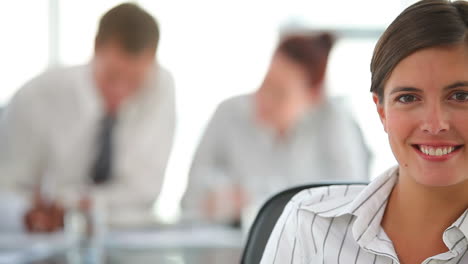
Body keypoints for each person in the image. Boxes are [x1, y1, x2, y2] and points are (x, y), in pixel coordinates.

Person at [260, 0, 468, 263]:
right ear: (381, 111)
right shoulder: (309, 223)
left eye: (460, 96)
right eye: (408, 98)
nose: (435, 123)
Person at [0, 3, 175, 232]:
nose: (120, 92)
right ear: (95, 48)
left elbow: (144, 192)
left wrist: (75, 203)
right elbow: (5, 189)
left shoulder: (159, 86)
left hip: (122, 241)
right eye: (112, 77)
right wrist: (28, 213)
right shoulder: (37, 97)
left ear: (152, 61)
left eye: (134, 82)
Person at [182, 32, 370, 228]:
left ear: (313, 97)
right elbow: (190, 199)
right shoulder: (228, 113)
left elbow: (351, 204)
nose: (263, 99)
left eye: (280, 93)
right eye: (266, 84)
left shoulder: (334, 121)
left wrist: (248, 199)